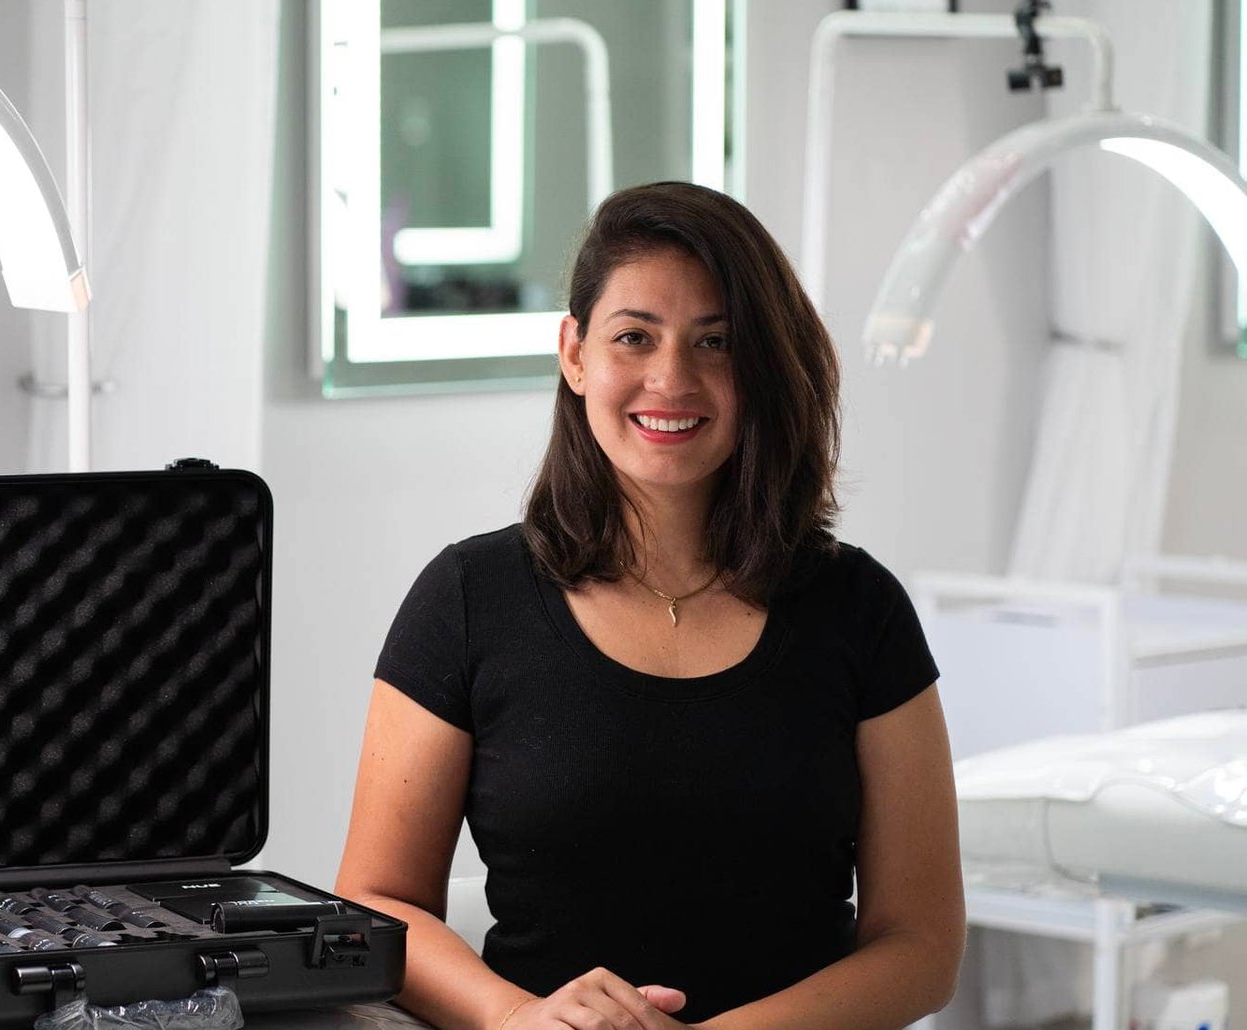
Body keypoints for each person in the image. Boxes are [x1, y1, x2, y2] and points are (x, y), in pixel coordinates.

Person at [334, 182, 964, 1029]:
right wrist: (515, 1018)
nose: (672, 378)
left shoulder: (860, 609)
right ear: (575, 353)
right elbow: (375, 904)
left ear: (762, 367)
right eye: (634, 336)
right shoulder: (467, 598)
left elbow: (922, 944)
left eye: (717, 342)